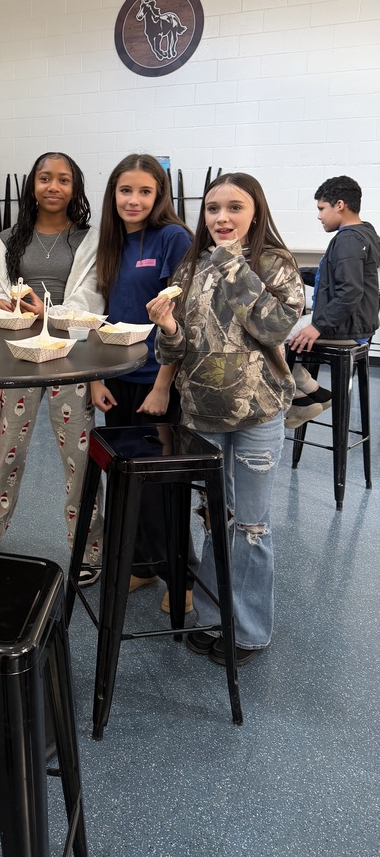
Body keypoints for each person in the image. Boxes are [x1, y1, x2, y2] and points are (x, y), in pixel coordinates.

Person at [147, 172, 304, 666]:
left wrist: (234, 266)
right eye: (213, 208)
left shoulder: (274, 263)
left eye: (235, 207)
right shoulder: (191, 265)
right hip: (203, 414)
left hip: (257, 412)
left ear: (255, 211)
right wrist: (168, 326)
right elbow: (175, 347)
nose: (222, 218)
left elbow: (275, 326)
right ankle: (215, 617)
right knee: (216, 518)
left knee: (251, 525)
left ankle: (250, 632)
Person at [0, 152, 105, 584]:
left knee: (79, 457)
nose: (53, 187)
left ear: (76, 188)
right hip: (20, 356)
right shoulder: (7, 238)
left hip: (70, 359)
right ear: (32, 185)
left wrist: (47, 311)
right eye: (44, 178)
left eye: (63, 180)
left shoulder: (89, 239)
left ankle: (89, 551)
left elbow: (91, 299)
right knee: (5, 450)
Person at [90, 154, 194, 609]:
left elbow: (180, 317)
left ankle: (181, 579)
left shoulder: (173, 237)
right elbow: (101, 317)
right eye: (125, 190)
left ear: (160, 195)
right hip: (117, 379)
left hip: (158, 382)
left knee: (162, 487)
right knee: (126, 480)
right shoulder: (111, 244)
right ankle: (142, 566)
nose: (133, 200)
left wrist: (162, 386)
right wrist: (96, 378)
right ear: (113, 194)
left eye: (144, 191)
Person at [285, 175, 380, 429]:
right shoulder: (365, 233)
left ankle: (302, 398)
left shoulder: (348, 239)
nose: (319, 216)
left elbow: (350, 292)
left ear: (339, 205)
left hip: (345, 327)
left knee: (269, 335)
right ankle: (312, 393)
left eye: (321, 209)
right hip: (357, 323)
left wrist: (317, 326)